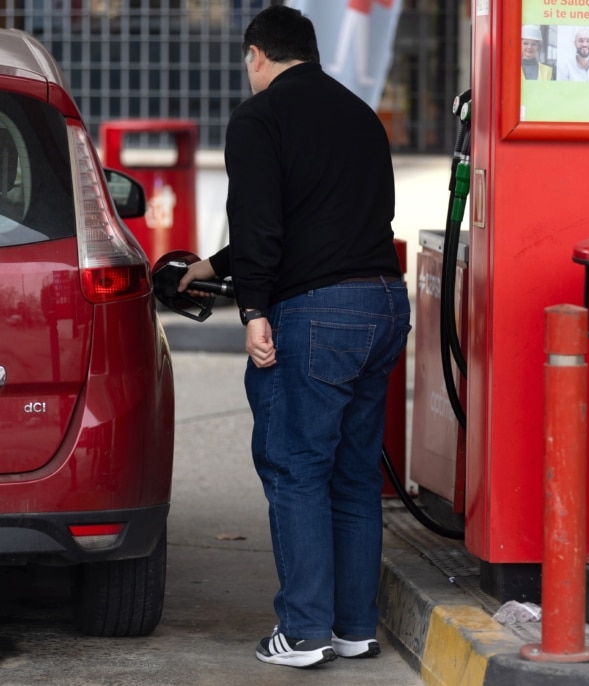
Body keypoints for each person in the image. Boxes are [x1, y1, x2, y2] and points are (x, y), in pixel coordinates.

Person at [178, 5, 411, 670]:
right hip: (384, 305)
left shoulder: (260, 117)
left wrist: (252, 308)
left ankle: (303, 632)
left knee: (295, 469)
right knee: (354, 474)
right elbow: (319, 213)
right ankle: (352, 627)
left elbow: (261, 222)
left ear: (257, 54)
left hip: (317, 315)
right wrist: (213, 266)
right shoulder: (359, 115)